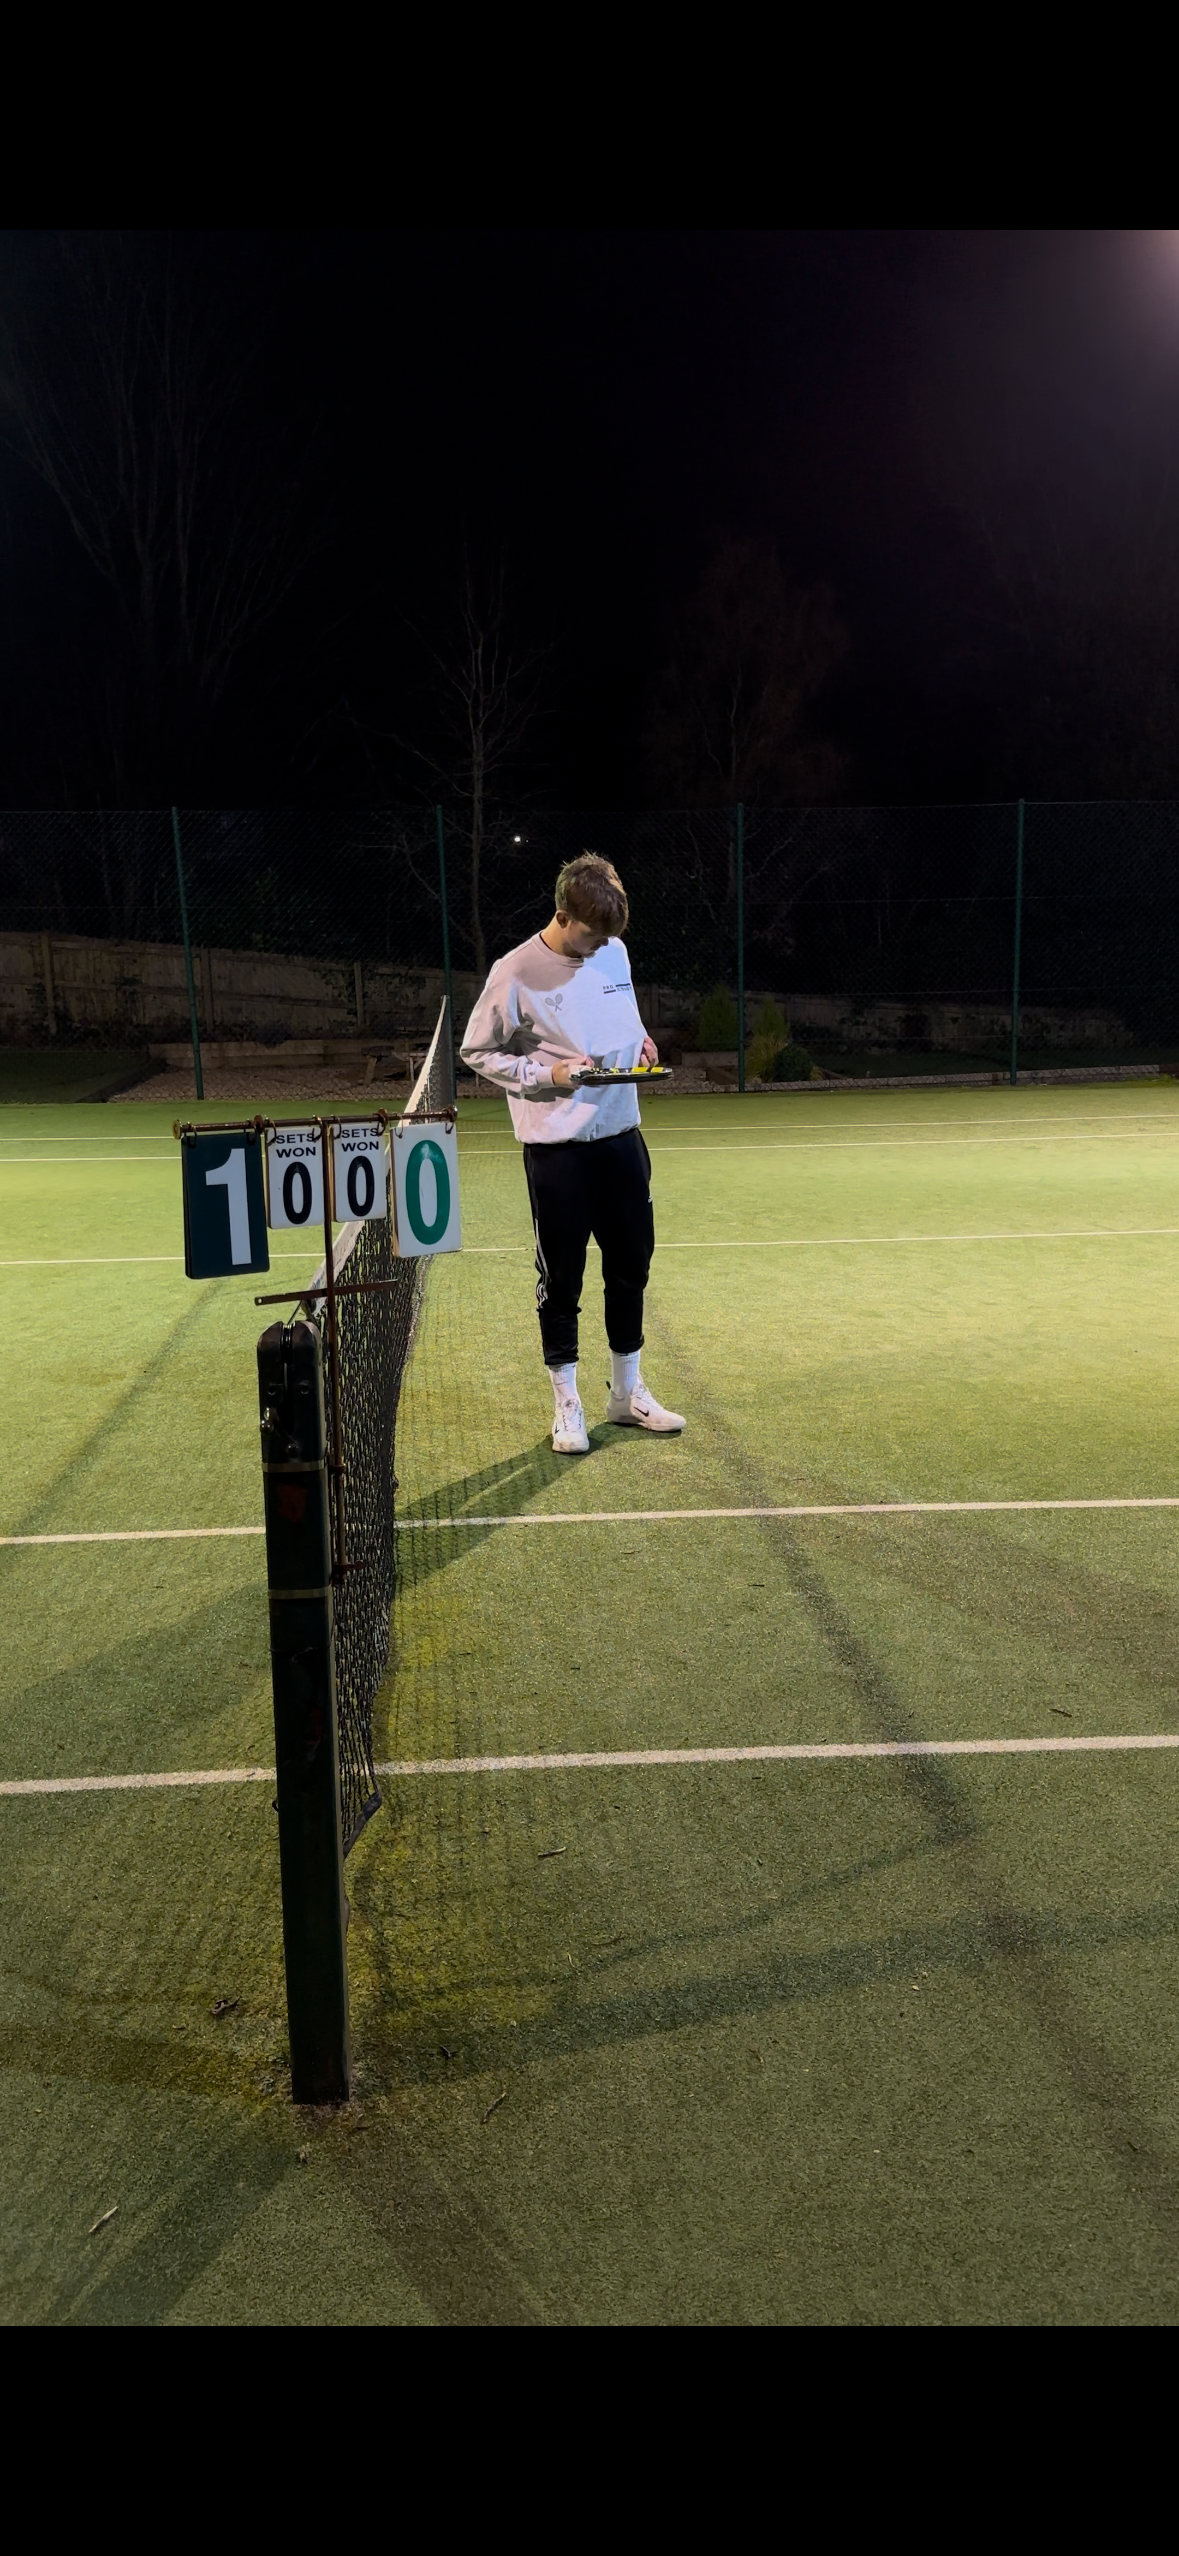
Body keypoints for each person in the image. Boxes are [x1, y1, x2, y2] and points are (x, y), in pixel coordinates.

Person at [460, 853, 686, 1454]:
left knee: (631, 1267)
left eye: (608, 937)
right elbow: (477, 1052)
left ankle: (626, 1394)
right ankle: (566, 1404)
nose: (600, 947)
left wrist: (640, 1043)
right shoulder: (515, 971)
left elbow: (621, 1017)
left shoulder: (613, 949)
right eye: (591, 936)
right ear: (562, 915)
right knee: (561, 1280)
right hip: (557, 1151)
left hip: (622, 1138)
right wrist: (548, 1075)